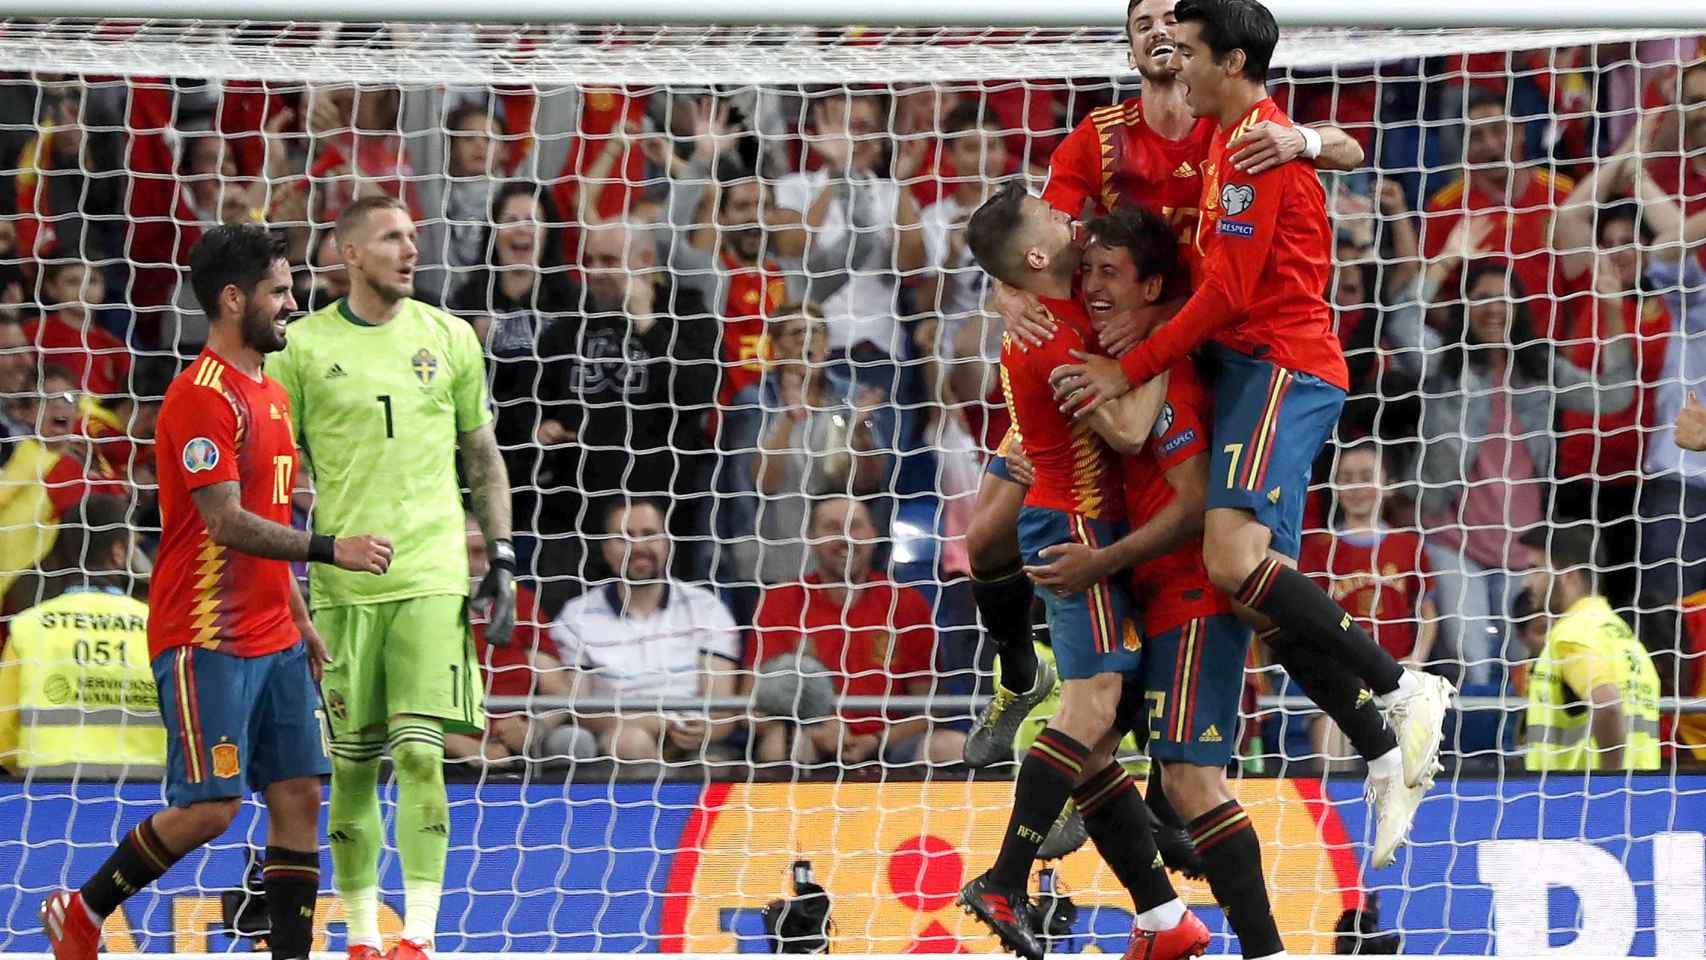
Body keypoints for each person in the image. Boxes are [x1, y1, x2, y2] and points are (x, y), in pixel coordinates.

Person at [1048, 0, 1451, 794]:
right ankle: (1380, 750)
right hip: (1247, 372)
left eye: (1189, 47)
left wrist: (1127, 365)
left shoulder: (1248, 153)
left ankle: (1404, 688)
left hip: (1278, 366)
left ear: (1228, 63)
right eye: (1157, 37)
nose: (1177, 59)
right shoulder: (1229, 138)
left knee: (1230, 561)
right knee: (1267, 598)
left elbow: (1228, 292)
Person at [965, 0, 1366, 777]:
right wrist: (1005, 295)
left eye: (1168, 20)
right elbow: (1034, 245)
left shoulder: (1234, 125)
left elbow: (1343, 147)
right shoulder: (1102, 138)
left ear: (1197, 50)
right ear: (1131, 44)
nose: (1157, 31)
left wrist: (1308, 139)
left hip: (1196, 360)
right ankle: (1021, 677)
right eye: (1141, 19)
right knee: (985, 537)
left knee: (1235, 573)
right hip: (1101, 358)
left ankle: (1360, 716)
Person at [38, 223, 392, 960]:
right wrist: (332, 550)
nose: (293, 303)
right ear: (233, 300)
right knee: (213, 809)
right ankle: (83, 909)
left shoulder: (269, 391)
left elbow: (263, 515)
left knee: (299, 795)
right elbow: (226, 523)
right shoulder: (200, 397)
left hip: (275, 635)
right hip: (207, 636)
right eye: (280, 291)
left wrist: (300, 616)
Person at [1016, 209, 1287, 955]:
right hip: (1141, 593)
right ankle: (1163, 923)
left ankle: (1267, 951)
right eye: (1088, 271)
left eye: (1111, 274)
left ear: (1155, 290)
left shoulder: (1164, 376)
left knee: (1192, 782)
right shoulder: (1106, 361)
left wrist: (1100, 562)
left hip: (1187, 595)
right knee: (1088, 742)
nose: (1093, 287)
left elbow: (1196, 503)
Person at [267, 194, 516, 960]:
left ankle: (423, 937)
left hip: (433, 572)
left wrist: (500, 554)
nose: (411, 250)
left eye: (415, 235)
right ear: (347, 254)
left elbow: (482, 457)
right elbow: (273, 476)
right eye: (391, 238)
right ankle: (363, 936)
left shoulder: (450, 337)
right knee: (349, 764)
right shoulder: (299, 349)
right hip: (343, 586)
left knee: (418, 753)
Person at [958, 184, 1203, 960]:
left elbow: (1019, 270)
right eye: (1056, 221)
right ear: (1039, 256)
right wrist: (1166, 331)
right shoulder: (1056, 340)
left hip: (1067, 518)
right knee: (1092, 707)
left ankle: (1163, 920)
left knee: (1095, 745)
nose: (1071, 222)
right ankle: (1003, 878)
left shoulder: (1046, 311)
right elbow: (1130, 430)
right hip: (1074, 528)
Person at [747, 496, 965, 767]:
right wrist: (817, 729)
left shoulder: (905, 601)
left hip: (889, 743)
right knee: (784, 743)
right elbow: (753, 706)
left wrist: (875, 740)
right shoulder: (780, 600)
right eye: (832, 527)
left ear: (874, 535)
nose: (846, 539)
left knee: (951, 746)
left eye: (856, 526)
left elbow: (933, 708)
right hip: (809, 737)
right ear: (810, 536)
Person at [551, 499, 742, 762]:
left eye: (649, 534)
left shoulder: (707, 608)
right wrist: (652, 722)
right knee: (632, 741)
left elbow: (722, 708)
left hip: (696, 744)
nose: (638, 546)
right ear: (606, 550)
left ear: (667, 543)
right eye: (624, 537)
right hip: (617, 741)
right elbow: (580, 710)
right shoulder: (575, 616)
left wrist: (707, 729)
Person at [0, 495, 160, 778]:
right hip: (149, 795)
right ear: (118, 552)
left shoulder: (29, 626)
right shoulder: (157, 626)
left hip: (47, 793)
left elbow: (4, 735)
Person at [1299, 443, 1439, 765]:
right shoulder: (1319, 547)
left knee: (1411, 765)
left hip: (1396, 681)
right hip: (1340, 682)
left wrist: (1417, 658)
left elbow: (1428, 614)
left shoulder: (1408, 545)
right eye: (1346, 478)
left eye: (1365, 476)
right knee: (1330, 756)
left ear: (1386, 485)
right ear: (1334, 486)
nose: (1356, 487)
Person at [1517, 526, 1661, 772]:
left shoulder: (1572, 633)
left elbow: (1606, 705)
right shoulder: (1621, 633)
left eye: (1535, 570)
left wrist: (1607, 783)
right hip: (1642, 796)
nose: (1527, 582)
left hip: (1578, 801)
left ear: (1569, 577)